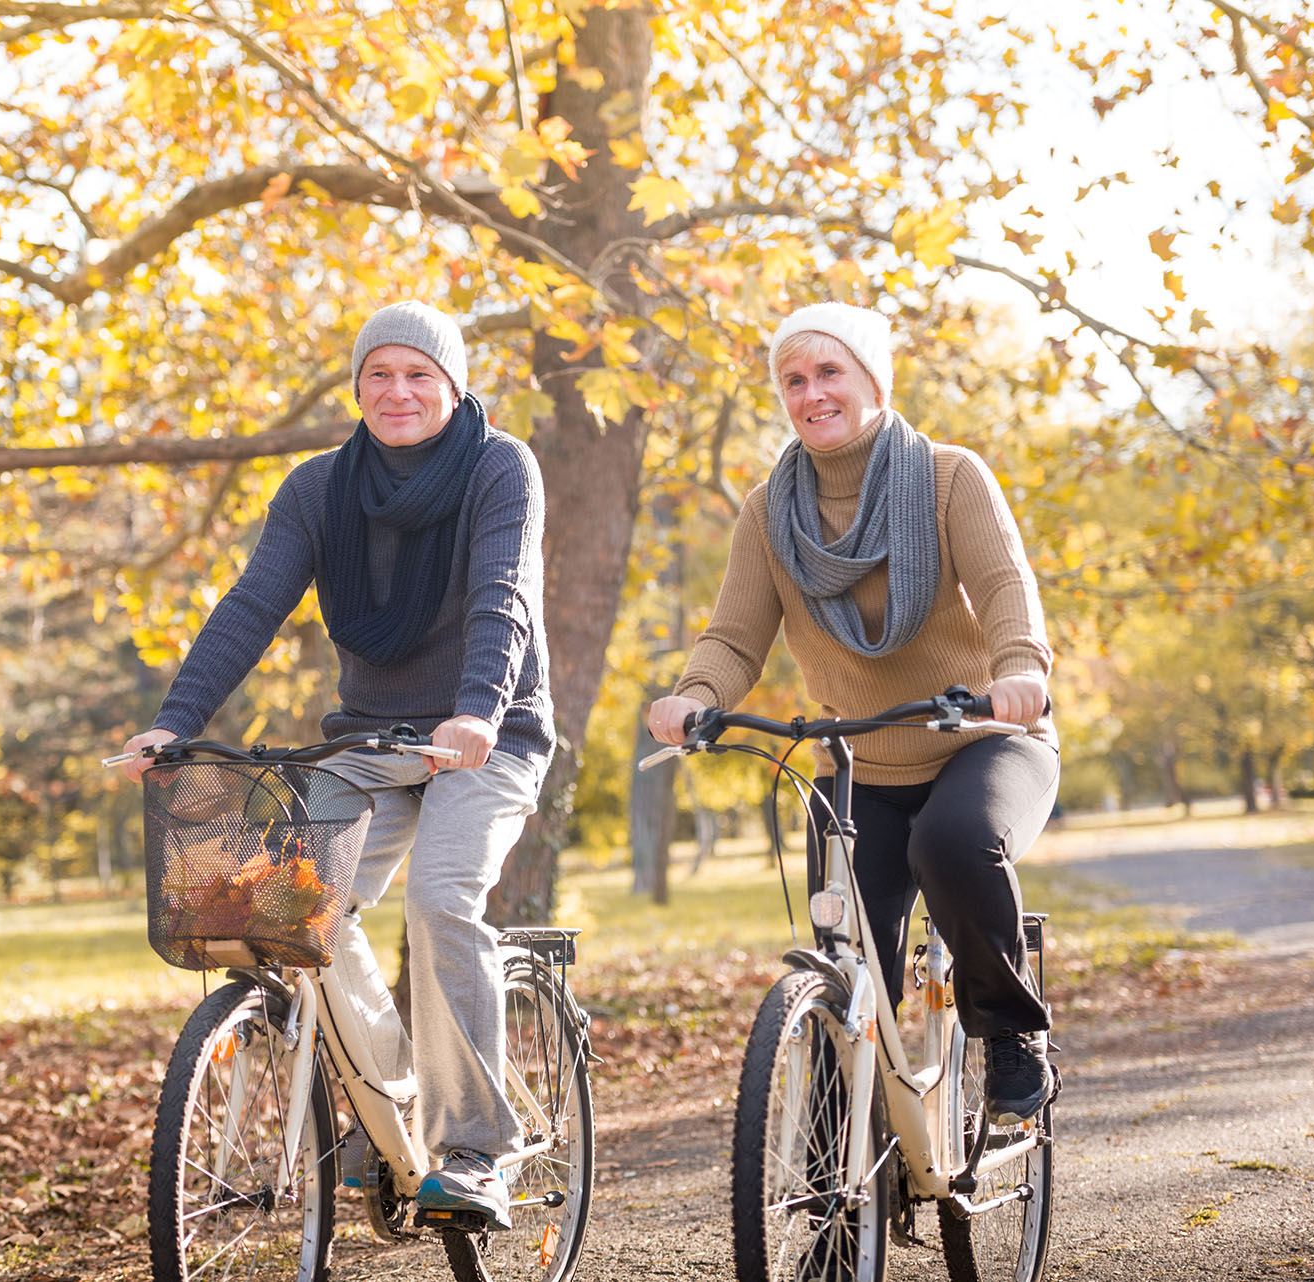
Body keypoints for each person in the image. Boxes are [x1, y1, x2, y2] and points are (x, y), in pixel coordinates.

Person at [118, 300, 554, 1227]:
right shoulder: (319, 489)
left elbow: (503, 598)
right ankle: (387, 1094)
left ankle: (477, 1149)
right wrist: (176, 723)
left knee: (442, 901)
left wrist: (479, 708)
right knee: (284, 907)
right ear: (357, 388)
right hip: (369, 738)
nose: (398, 392)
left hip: (486, 735)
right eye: (379, 375)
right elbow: (250, 607)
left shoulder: (498, 468)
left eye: (419, 375)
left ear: (454, 384)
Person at [646, 301, 1061, 1122]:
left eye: (829, 372)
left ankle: (1012, 1032)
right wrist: (696, 698)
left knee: (952, 840)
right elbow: (734, 636)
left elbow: (1008, 587)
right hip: (859, 762)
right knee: (843, 967)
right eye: (793, 381)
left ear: (872, 380)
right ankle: (836, 1184)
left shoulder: (950, 476)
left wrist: (1019, 670)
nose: (811, 394)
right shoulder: (770, 511)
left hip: (983, 738)